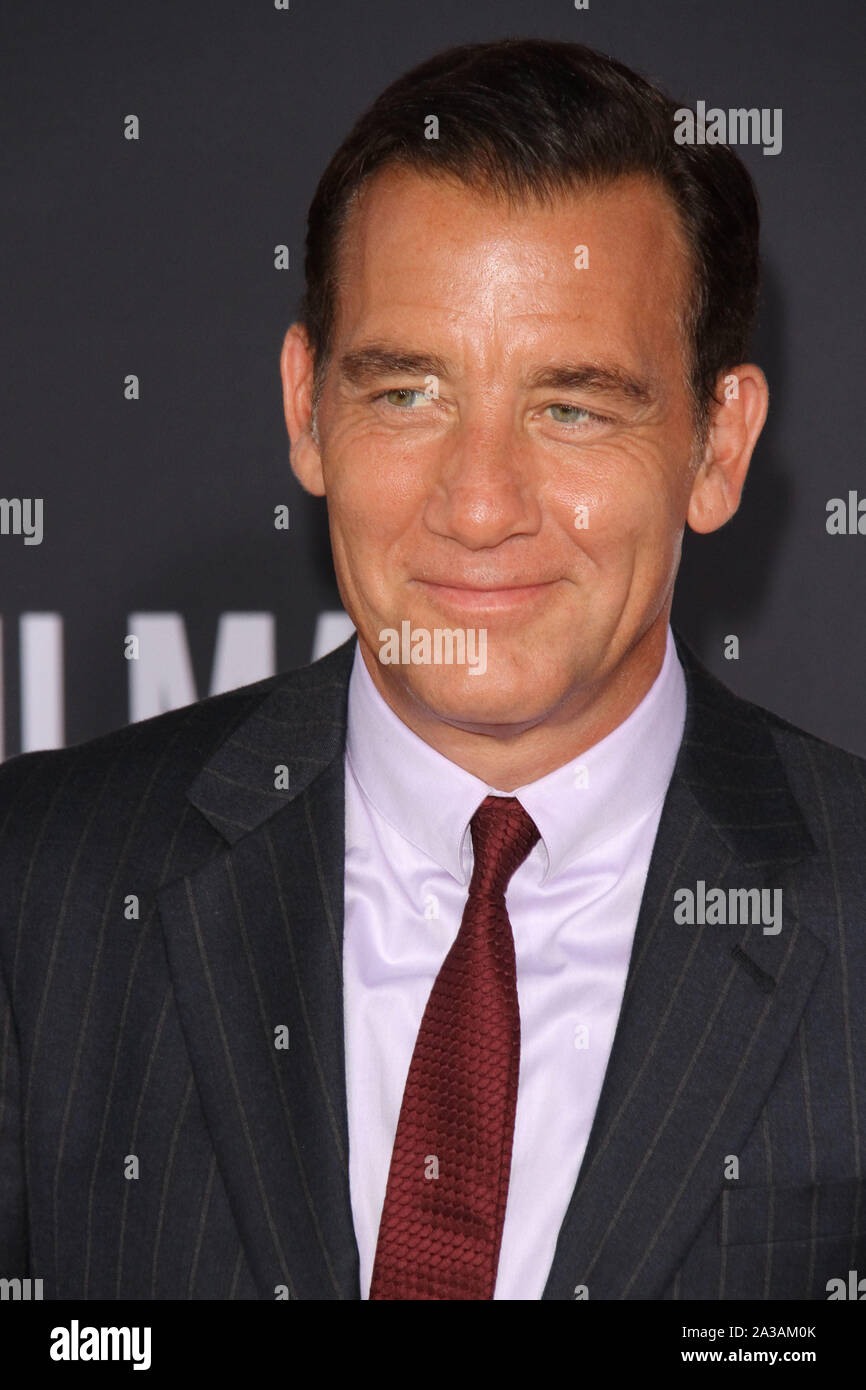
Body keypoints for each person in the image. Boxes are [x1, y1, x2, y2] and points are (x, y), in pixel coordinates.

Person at [1, 37, 864, 1302]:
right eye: (407, 393)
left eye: (572, 407)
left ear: (716, 445)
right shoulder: (43, 894)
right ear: (306, 410)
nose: (476, 505)